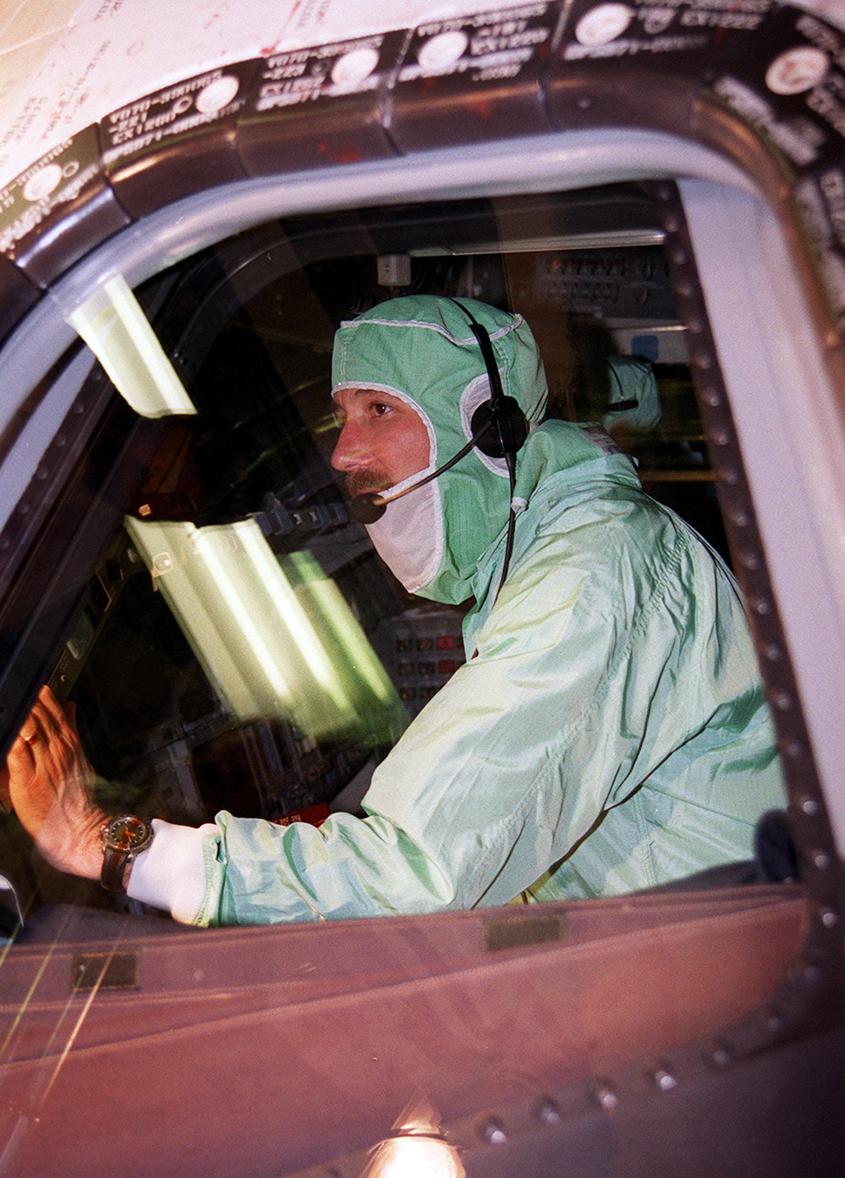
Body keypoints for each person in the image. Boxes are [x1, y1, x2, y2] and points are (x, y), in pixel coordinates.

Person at [8, 296, 786, 926]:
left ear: (488, 429)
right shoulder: (563, 550)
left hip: (716, 961)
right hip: (674, 935)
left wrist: (104, 842)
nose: (343, 453)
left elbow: (417, 869)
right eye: (343, 415)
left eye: (377, 409)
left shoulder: (592, 573)